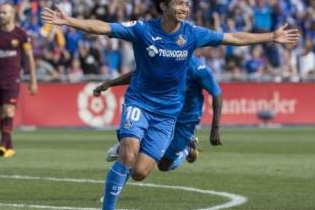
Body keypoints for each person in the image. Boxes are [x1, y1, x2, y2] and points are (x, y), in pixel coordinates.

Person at [42, 0, 299, 209]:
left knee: (141, 172)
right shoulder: (142, 30)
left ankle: (126, 146)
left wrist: (271, 37)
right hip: (139, 103)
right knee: (129, 156)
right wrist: (70, 21)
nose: (184, 7)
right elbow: (102, 26)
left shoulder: (192, 33)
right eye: (179, 3)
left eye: (187, 3)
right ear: (163, 5)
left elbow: (232, 37)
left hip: (168, 114)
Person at [94, 56, 222, 171]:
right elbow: (138, 74)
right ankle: (113, 190)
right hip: (163, 112)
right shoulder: (164, 58)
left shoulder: (198, 68)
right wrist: (109, 83)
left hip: (185, 119)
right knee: (133, 150)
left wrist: (215, 129)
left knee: (164, 165)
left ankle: (187, 149)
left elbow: (216, 94)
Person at [0, 3, 38, 158]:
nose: (0, 15)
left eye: (4, 12)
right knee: (1, 113)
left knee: (9, 110)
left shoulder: (20, 34)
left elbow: (29, 57)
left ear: (12, 14)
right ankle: (9, 146)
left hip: (13, 78)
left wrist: (33, 81)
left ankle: (2, 144)